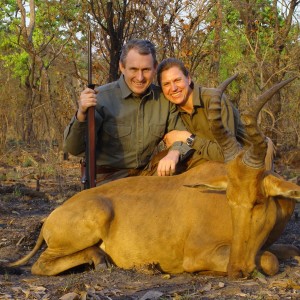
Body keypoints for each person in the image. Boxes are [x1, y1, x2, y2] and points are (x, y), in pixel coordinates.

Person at [63, 40, 191, 184]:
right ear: (122, 67)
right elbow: (73, 148)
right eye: (133, 69)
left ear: (155, 68)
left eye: (146, 70)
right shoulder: (101, 98)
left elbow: (184, 136)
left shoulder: (163, 99)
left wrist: (174, 153)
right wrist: (81, 113)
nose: (140, 77)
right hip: (108, 180)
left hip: (145, 176)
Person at [156, 58, 247, 169]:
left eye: (177, 80)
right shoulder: (172, 110)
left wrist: (186, 137)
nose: (174, 88)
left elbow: (227, 154)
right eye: (166, 84)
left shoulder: (214, 100)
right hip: (210, 161)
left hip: (246, 159)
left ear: (188, 79)